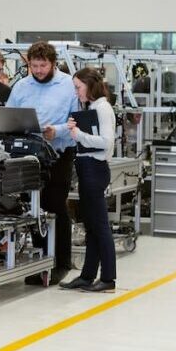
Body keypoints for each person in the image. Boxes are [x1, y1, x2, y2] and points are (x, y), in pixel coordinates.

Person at [7, 41, 78, 285]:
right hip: (30, 155)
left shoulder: (68, 85)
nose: (38, 70)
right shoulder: (21, 87)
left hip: (59, 153)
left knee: (55, 205)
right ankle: (40, 261)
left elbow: (75, 120)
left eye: (42, 65)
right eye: (34, 65)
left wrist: (55, 131)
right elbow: (9, 116)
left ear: (53, 63)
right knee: (33, 208)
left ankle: (61, 263)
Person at [60, 67, 117, 293]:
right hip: (86, 167)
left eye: (78, 87)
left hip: (95, 168)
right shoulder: (92, 107)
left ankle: (109, 279)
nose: (76, 92)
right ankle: (87, 276)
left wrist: (79, 136)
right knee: (92, 227)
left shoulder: (102, 108)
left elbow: (106, 142)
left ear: (89, 84)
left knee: (100, 227)